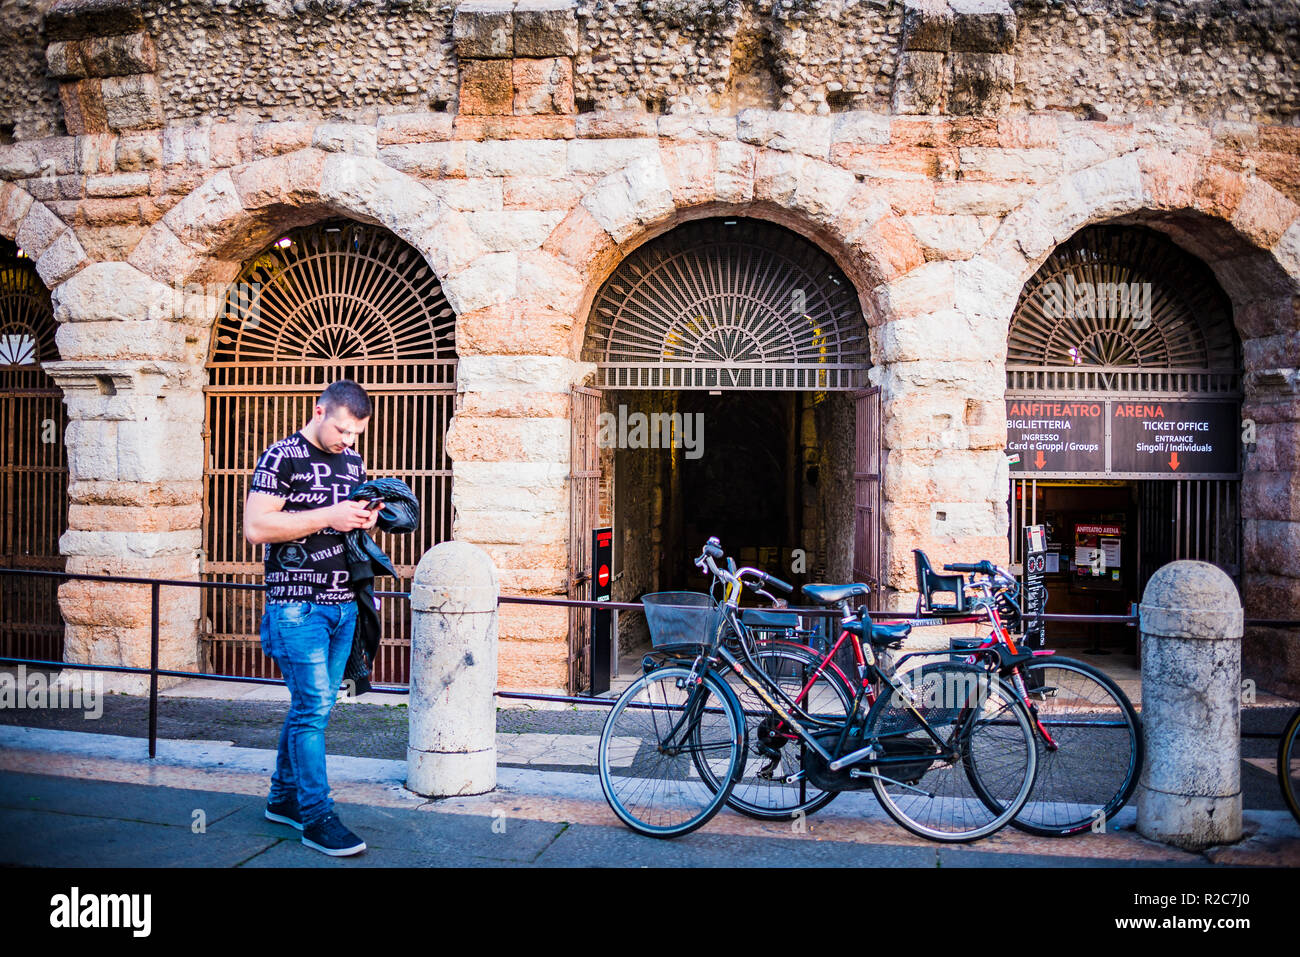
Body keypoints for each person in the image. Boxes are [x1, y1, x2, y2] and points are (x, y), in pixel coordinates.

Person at [243, 379, 380, 857]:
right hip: (297, 606)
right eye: (343, 429)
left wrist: (365, 517)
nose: (349, 441)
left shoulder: (353, 461)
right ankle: (317, 816)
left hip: (345, 606)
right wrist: (331, 516)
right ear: (319, 411)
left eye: (357, 434)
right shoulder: (280, 456)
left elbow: (344, 519)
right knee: (313, 709)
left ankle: (283, 799)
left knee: (311, 707)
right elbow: (256, 527)